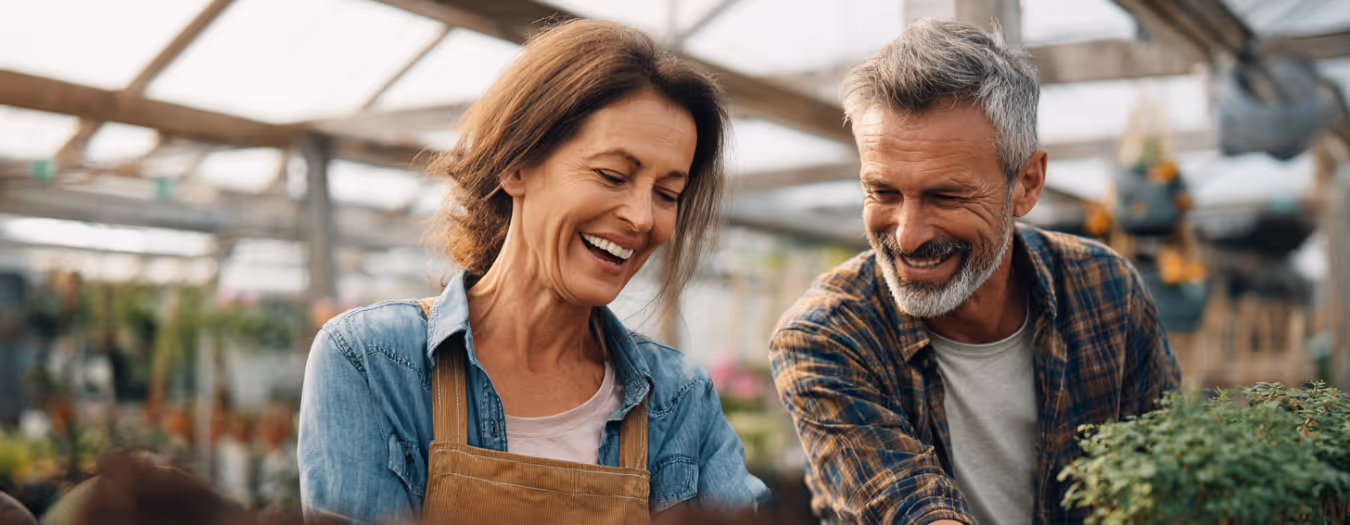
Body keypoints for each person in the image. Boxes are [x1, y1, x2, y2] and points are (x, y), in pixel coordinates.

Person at [298, 19, 767, 524]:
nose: (642, 217)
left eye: (667, 194)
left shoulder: (678, 400)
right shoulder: (374, 362)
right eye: (612, 175)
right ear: (516, 164)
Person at [768, 19, 1180, 525]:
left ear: (1027, 184)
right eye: (883, 192)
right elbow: (910, 509)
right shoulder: (826, 335)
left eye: (946, 196)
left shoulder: (1106, 291)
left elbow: (1169, 471)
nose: (907, 236)